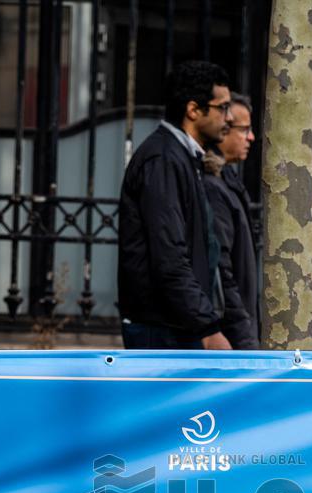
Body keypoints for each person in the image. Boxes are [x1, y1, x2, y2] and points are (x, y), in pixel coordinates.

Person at [118, 61, 233, 350]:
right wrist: (207, 328)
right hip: (163, 329)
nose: (229, 118)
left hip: (175, 323)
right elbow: (169, 255)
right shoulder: (163, 160)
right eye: (222, 108)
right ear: (193, 110)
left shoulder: (181, 157)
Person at [203, 93, 259, 349]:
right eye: (244, 129)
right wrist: (244, 338)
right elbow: (222, 270)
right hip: (229, 334)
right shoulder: (214, 188)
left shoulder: (226, 181)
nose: (251, 137)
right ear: (223, 129)